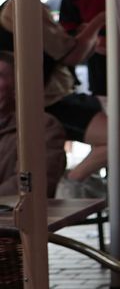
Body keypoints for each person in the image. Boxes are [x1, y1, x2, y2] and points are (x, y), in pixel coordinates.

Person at [0, 0, 120, 198]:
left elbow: (65, 50)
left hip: (53, 98)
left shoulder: (26, 8)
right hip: (49, 102)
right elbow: (72, 54)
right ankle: (72, 182)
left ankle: (80, 179)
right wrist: (98, 22)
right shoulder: (22, 8)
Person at [0, 54, 66, 195]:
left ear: (17, 87)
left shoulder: (41, 125)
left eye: (0, 76)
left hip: (16, 215)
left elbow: (30, 183)